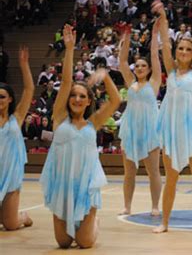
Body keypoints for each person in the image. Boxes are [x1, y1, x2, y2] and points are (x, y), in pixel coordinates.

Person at [39, 24, 120, 248]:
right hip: (61, 185)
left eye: (82, 96)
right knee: (63, 242)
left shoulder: (92, 123)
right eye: (74, 95)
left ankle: (95, 222)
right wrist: (70, 49)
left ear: (88, 101)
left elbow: (115, 101)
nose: (76, 98)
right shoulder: (59, 117)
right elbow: (66, 82)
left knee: (84, 243)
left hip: (84, 186)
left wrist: (104, 75)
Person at [152, 0, 192, 234]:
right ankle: (165, 222)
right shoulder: (171, 70)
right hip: (172, 133)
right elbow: (164, 44)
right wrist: (164, 17)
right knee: (171, 180)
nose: (185, 50)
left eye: (188, 49)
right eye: (182, 48)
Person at [118, 10, 163, 216]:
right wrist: (126, 38)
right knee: (129, 173)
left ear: (149, 69)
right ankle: (127, 205)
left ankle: (155, 206)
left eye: (144, 65)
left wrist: (154, 35)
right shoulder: (131, 82)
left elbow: (154, 56)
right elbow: (122, 62)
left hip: (150, 131)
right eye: (138, 65)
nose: (140, 67)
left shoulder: (154, 83)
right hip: (130, 130)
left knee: (153, 171)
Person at [0, 46, 34, 230]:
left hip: (11, 174)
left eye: (2, 97)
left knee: (10, 225)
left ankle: (24, 216)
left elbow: (29, 89)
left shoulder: (17, 118)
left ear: (10, 99)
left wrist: (24, 65)